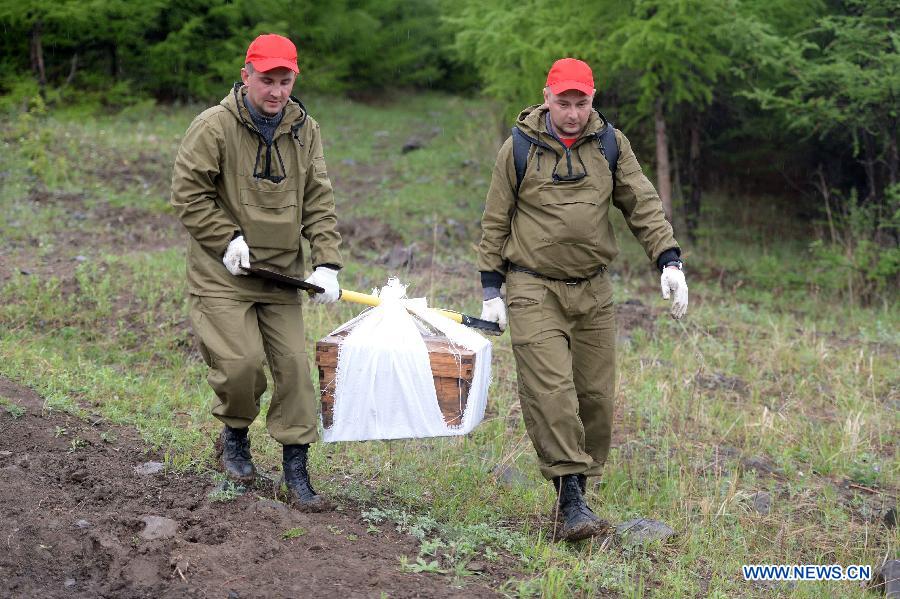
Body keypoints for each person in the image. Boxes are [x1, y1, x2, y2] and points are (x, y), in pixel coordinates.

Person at [476, 58, 688, 541]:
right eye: (563, 102)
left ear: (593, 100)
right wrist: (492, 289)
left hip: (594, 289)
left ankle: (579, 489)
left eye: (582, 102)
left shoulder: (611, 144)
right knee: (550, 393)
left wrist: (669, 260)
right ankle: (570, 498)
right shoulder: (518, 149)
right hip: (533, 285)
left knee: (595, 399)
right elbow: (495, 220)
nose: (572, 113)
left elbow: (642, 202)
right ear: (547, 98)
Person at [170, 33, 343, 512]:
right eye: (266, 79)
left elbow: (319, 200)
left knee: (294, 372)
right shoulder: (213, 127)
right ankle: (236, 435)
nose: (276, 90)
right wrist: (227, 239)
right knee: (241, 366)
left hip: (282, 275)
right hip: (223, 272)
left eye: (284, 80)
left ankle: (296, 467)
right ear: (246, 76)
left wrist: (326, 261)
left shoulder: (305, 130)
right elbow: (188, 194)